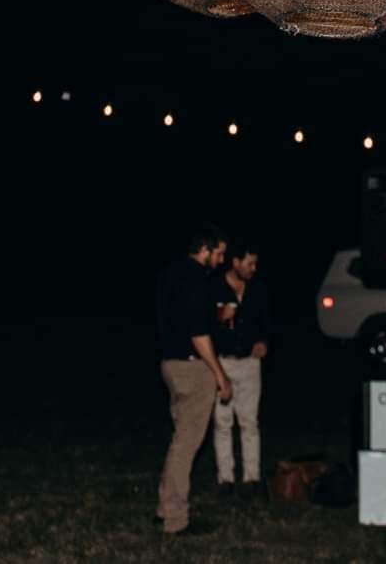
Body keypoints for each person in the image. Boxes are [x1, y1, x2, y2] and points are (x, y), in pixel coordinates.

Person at [154, 224, 231, 536]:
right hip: (191, 367)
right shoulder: (196, 278)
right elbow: (198, 335)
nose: (222, 260)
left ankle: (164, 510)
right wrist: (220, 375)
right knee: (187, 444)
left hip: (169, 364)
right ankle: (175, 519)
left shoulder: (169, 273)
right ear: (206, 249)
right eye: (220, 253)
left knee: (179, 441)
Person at [211, 241, 272, 497]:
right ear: (235, 262)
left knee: (249, 421)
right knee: (222, 423)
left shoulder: (257, 290)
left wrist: (263, 342)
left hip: (249, 363)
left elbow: (268, 322)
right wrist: (219, 320)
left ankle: (251, 478)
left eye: (255, 263)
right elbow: (202, 326)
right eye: (249, 263)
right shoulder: (214, 287)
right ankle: (225, 478)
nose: (253, 268)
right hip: (222, 362)